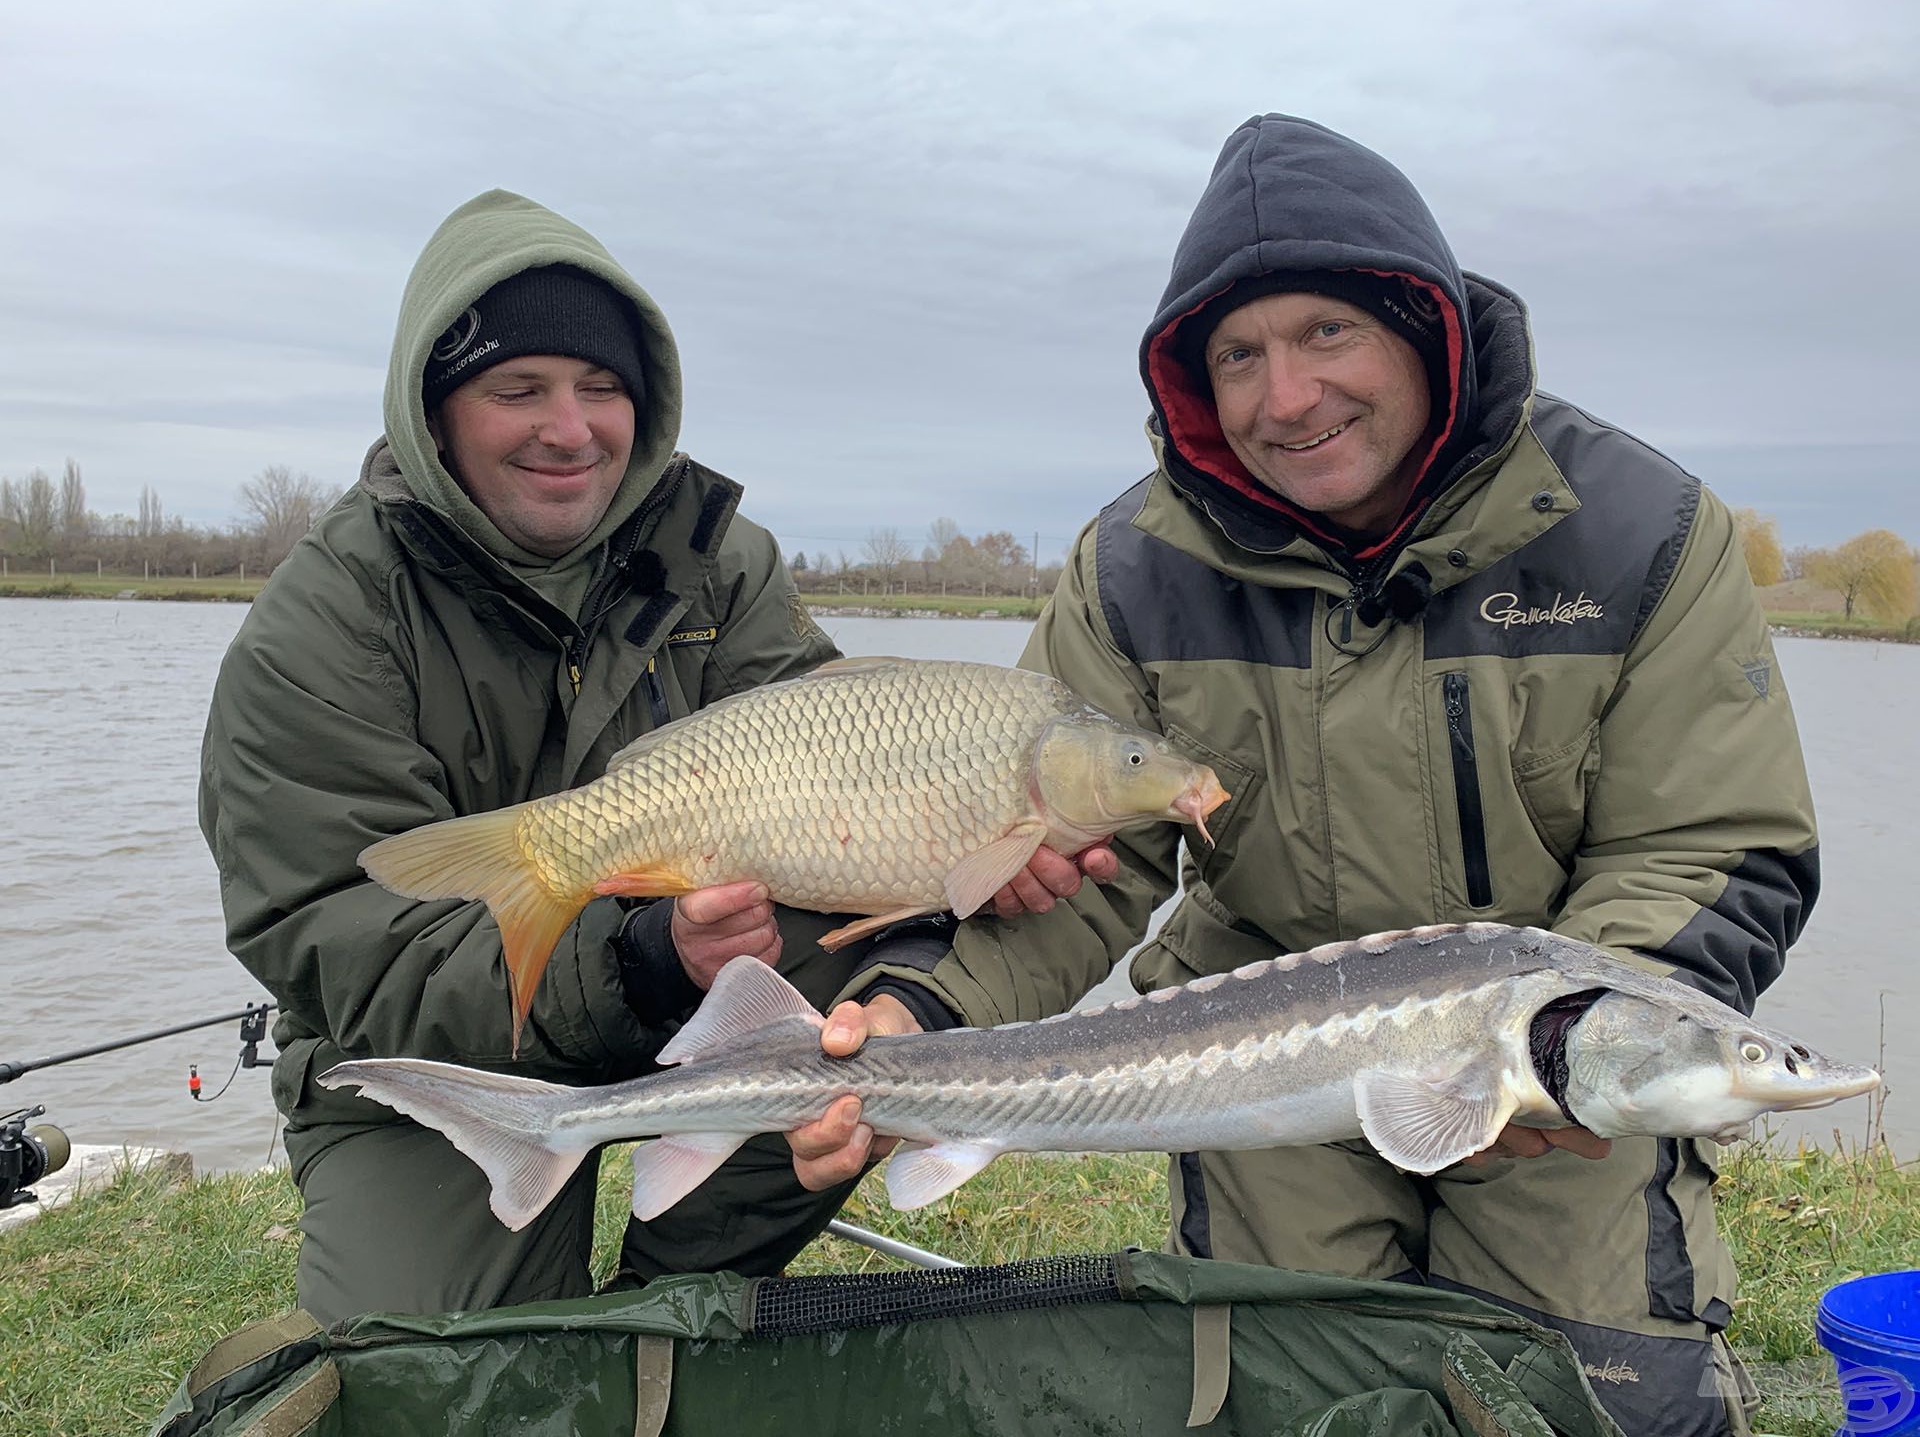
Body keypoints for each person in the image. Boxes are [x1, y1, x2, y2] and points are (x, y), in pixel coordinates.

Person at [790, 115, 1818, 1437]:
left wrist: (1553, 1051)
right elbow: (1070, 865)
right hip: (1256, 1066)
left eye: (1327, 334)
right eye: (1239, 357)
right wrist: (924, 1013)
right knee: (1287, 1396)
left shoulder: (1640, 533)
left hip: (1546, 1053)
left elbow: (1712, 844)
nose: (1287, 400)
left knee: (1594, 1402)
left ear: (1424, 329)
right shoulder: (1134, 571)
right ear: (1191, 383)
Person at [199, 189, 1069, 1324]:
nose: (572, 428)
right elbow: (349, 947)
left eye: (603, 388)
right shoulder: (323, 626)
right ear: (436, 410)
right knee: (442, 1360)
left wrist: (978, 870)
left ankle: (672, 1307)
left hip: (711, 1009)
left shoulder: (716, 562)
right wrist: (641, 960)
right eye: (520, 389)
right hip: (438, 1051)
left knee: (878, 1010)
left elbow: (863, 798)